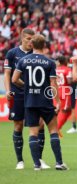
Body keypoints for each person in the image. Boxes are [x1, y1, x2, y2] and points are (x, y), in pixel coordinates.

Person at [12, 34, 68, 170]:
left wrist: (26, 86)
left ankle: (36, 165)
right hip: (45, 101)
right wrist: (58, 101)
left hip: (30, 101)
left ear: (32, 45)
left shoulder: (23, 61)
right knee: (53, 130)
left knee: (33, 133)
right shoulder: (49, 62)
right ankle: (59, 163)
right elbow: (53, 84)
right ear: (44, 46)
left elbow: (14, 80)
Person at [4, 28, 50, 170]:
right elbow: (7, 74)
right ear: (21, 39)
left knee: (40, 125)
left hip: (35, 94)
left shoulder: (36, 53)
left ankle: (39, 159)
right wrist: (8, 90)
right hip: (18, 94)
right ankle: (20, 161)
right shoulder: (12, 53)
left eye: (32, 39)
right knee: (18, 125)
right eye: (28, 39)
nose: (30, 42)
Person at [56, 56, 72, 136]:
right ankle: (57, 129)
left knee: (66, 111)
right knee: (65, 111)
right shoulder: (67, 69)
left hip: (56, 91)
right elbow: (69, 81)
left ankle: (57, 128)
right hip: (65, 92)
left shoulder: (55, 69)